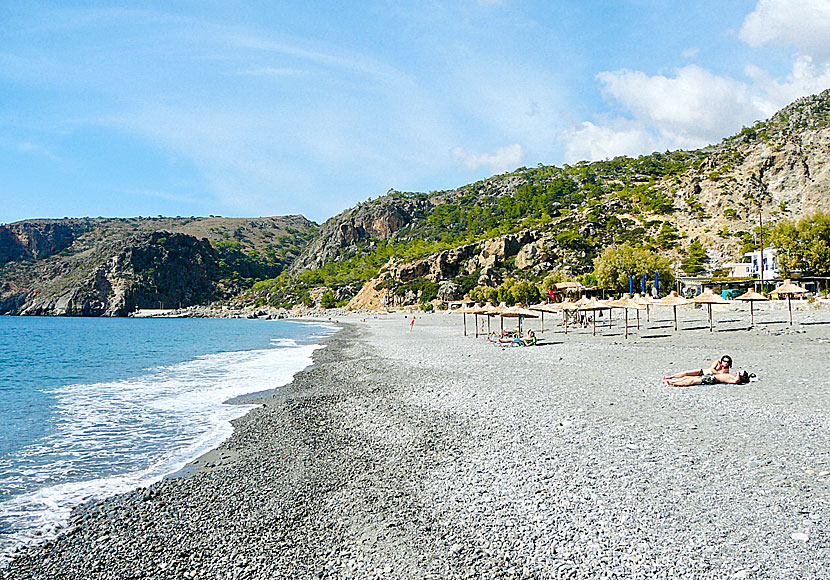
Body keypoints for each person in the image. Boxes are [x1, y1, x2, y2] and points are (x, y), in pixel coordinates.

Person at [662, 355, 732, 382]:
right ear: (722, 360)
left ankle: (673, 381)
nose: (726, 363)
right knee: (686, 373)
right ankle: (671, 377)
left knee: (688, 377)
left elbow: (723, 377)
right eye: (724, 361)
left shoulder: (726, 370)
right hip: (703, 371)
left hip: (706, 376)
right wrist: (717, 373)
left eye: (727, 362)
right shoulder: (717, 362)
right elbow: (712, 369)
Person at [664, 370, 753, 387]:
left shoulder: (735, 379)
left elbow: (736, 381)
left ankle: (673, 383)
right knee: (688, 377)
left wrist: (738, 374)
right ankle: (673, 381)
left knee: (692, 380)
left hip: (713, 379)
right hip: (712, 377)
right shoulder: (733, 377)